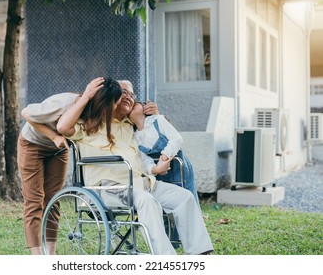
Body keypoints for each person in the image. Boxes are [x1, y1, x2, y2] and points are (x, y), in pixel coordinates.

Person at [57, 78, 214, 255]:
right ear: (112, 97)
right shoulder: (90, 124)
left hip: (143, 184)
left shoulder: (129, 125)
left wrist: (155, 114)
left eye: (132, 95)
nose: (129, 97)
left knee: (184, 197)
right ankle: (167, 260)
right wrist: (87, 95)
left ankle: (200, 254)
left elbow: (160, 135)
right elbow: (62, 126)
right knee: (146, 201)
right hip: (110, 189)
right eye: (123, 92)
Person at [17, 77, 105, 255]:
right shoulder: (63, 103)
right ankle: (37, 257)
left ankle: (51, 254)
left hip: (58, 150)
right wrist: (54, 136)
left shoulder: (96, 112)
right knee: (34, 201)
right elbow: (26, 113)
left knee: (54, 199)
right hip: (32, 144)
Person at [128, 101, 200, 205]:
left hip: (177, 166)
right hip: (159, 173)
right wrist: (155, 169)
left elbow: (177, 139)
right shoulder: (135, 137)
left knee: (187, 193)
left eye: (136, 103)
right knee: (167, 201)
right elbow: (144, 159)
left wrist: (164, 157)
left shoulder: (158, 121)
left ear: (145, 109)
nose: (133, 104)